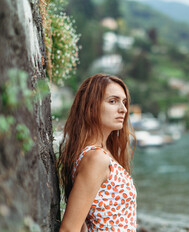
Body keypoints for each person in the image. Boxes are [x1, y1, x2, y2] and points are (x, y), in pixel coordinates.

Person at [58, 74, 137, 232]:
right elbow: (69, 229)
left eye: (124, 102)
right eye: (113, 101)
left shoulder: (102, 154)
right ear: (91, 106)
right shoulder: (96, 158)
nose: (123, 109)